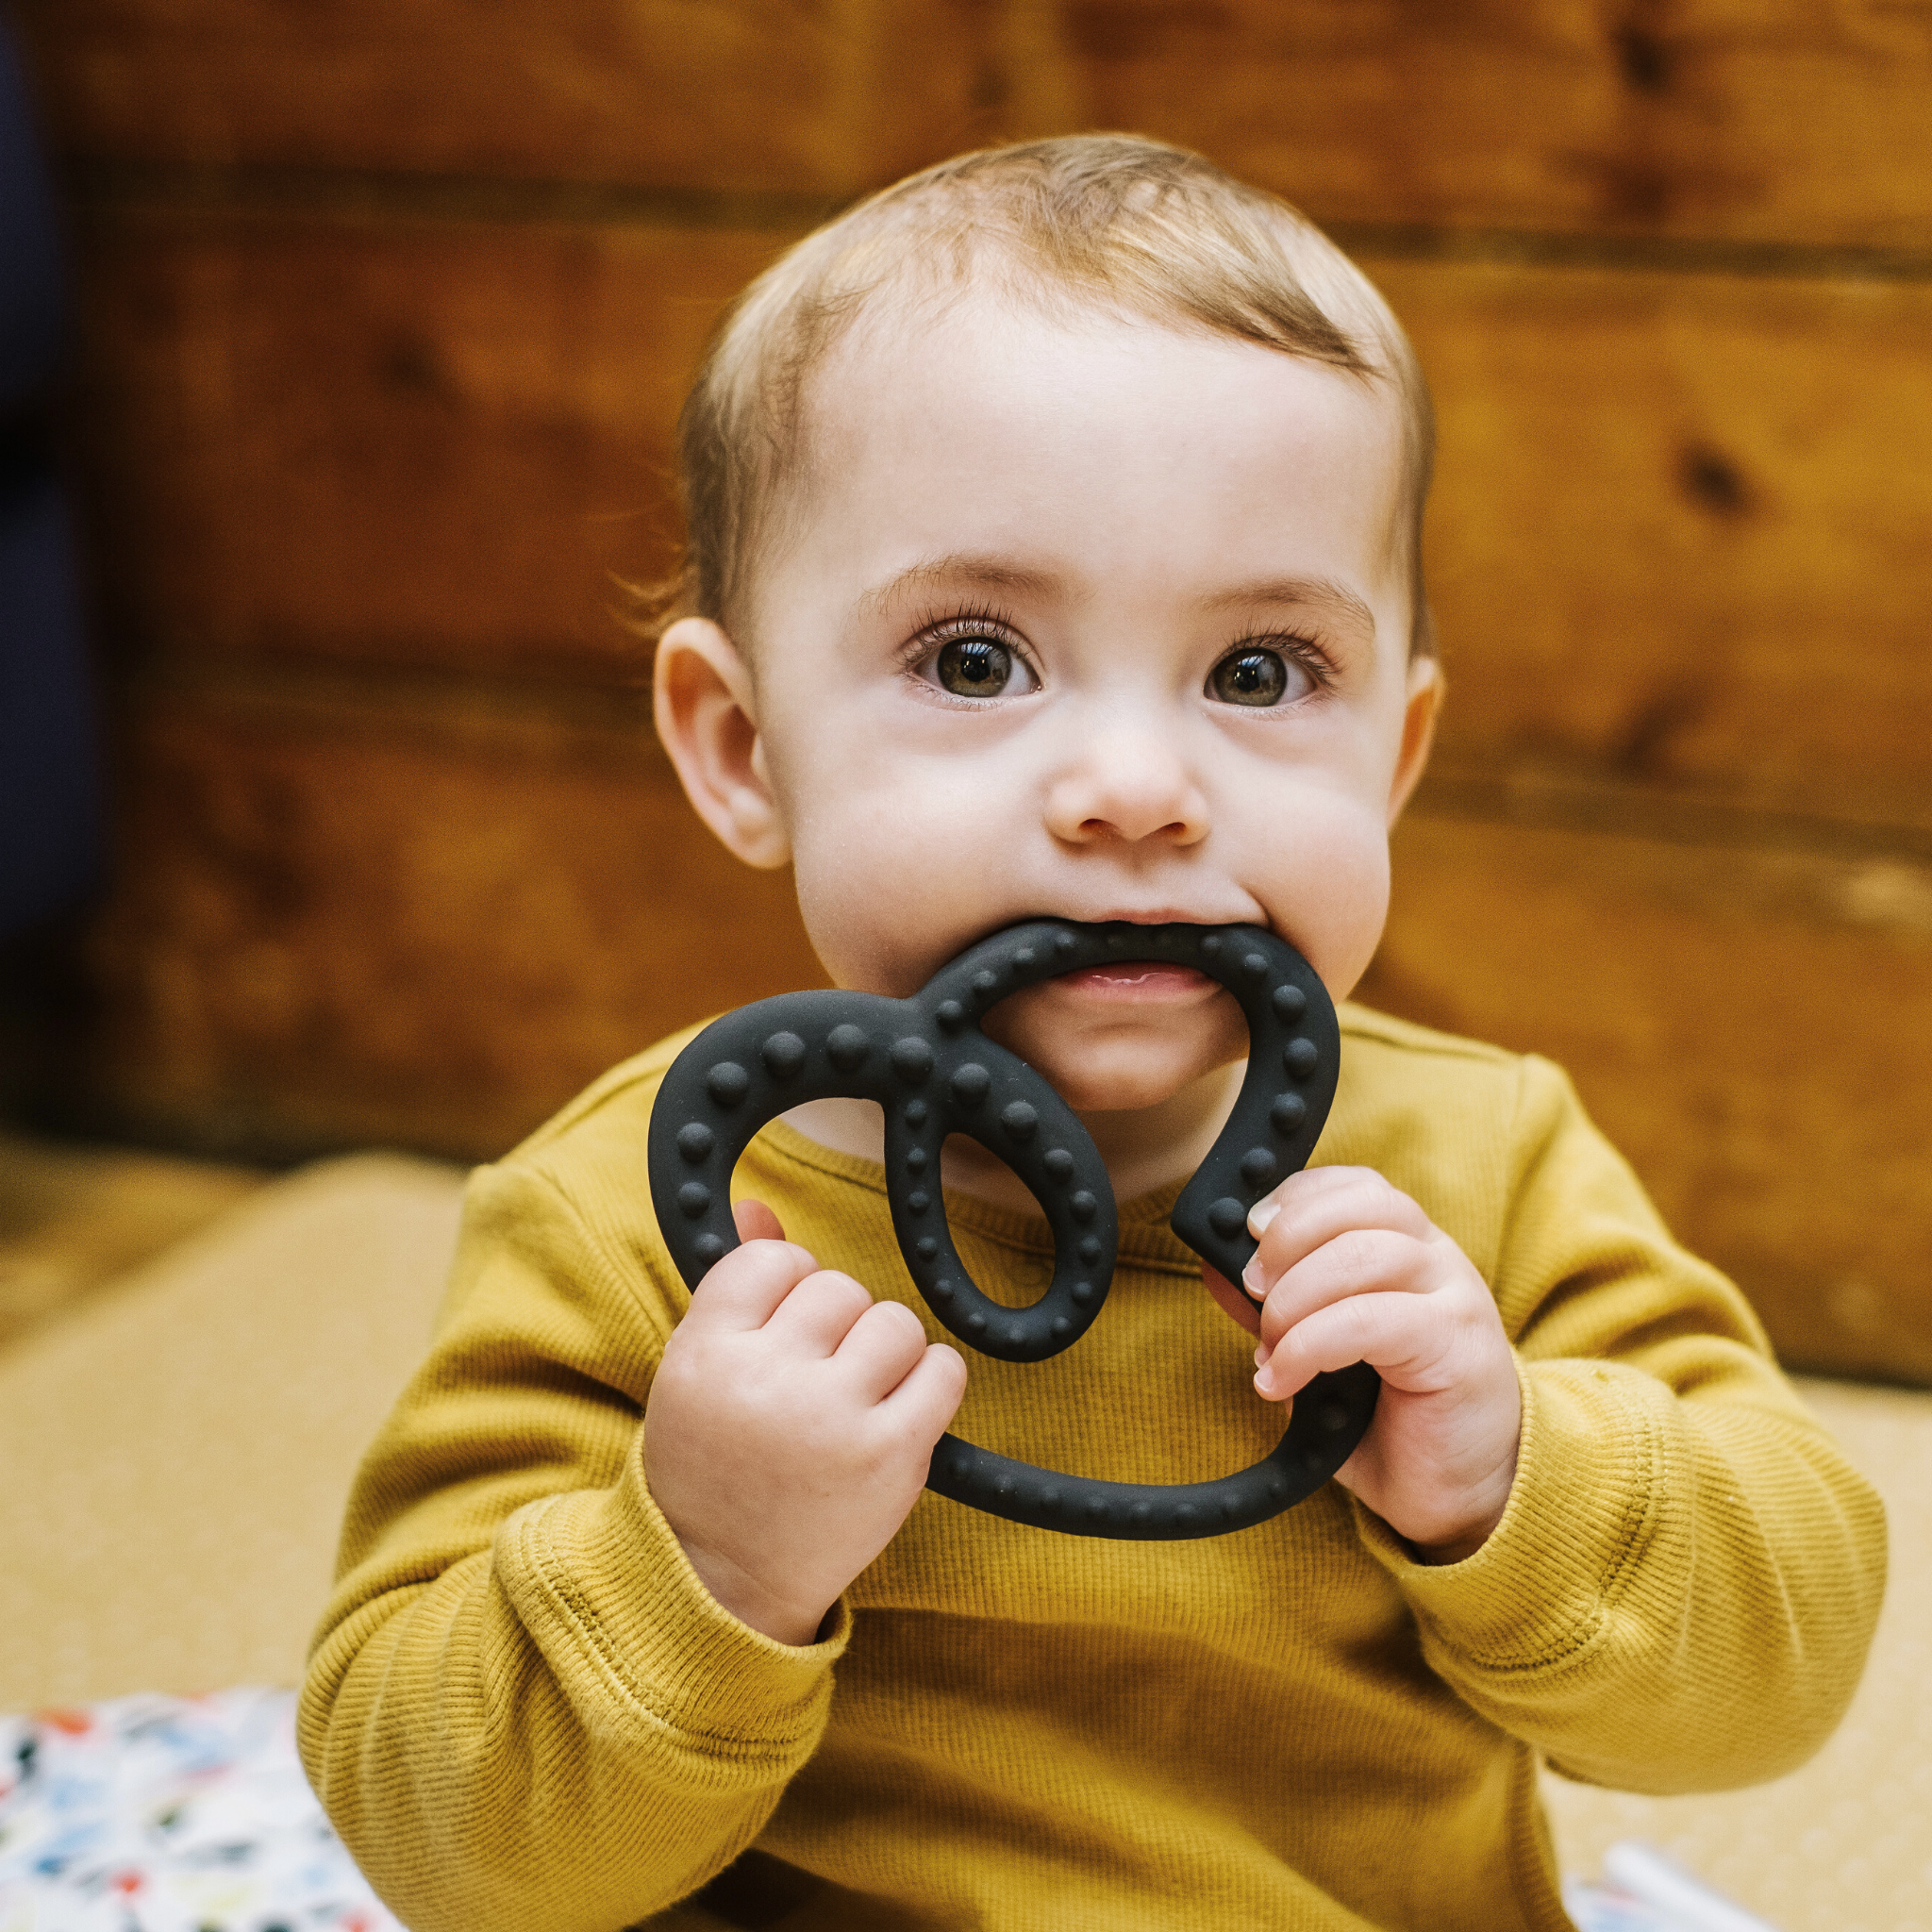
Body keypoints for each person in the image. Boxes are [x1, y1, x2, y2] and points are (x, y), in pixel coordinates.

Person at [297, 137, 1886, 1932]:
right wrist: (705, 1565)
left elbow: (1790, 1669)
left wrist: (1516, 1472)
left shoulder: (1486, 1173)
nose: (1138, 791)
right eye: (976, 661)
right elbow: (441, 1845)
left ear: (1399, 756)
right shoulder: (627, 1230)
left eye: (1261, 673)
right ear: (745, 751)